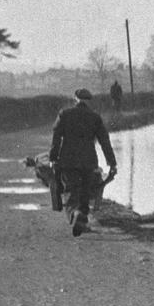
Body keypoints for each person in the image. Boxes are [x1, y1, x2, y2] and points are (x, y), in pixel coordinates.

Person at [50, 88, 117, 237]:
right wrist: (112, 163)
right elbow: (105, 142)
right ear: (89, 101)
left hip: (68, 160)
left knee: (71, 191)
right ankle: (82, 217)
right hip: (89, 161)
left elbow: (56, 137)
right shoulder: (95, 118)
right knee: (85, 192)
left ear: (75, 99)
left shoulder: (64, 114)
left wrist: (53, 158)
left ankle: (75, 213)